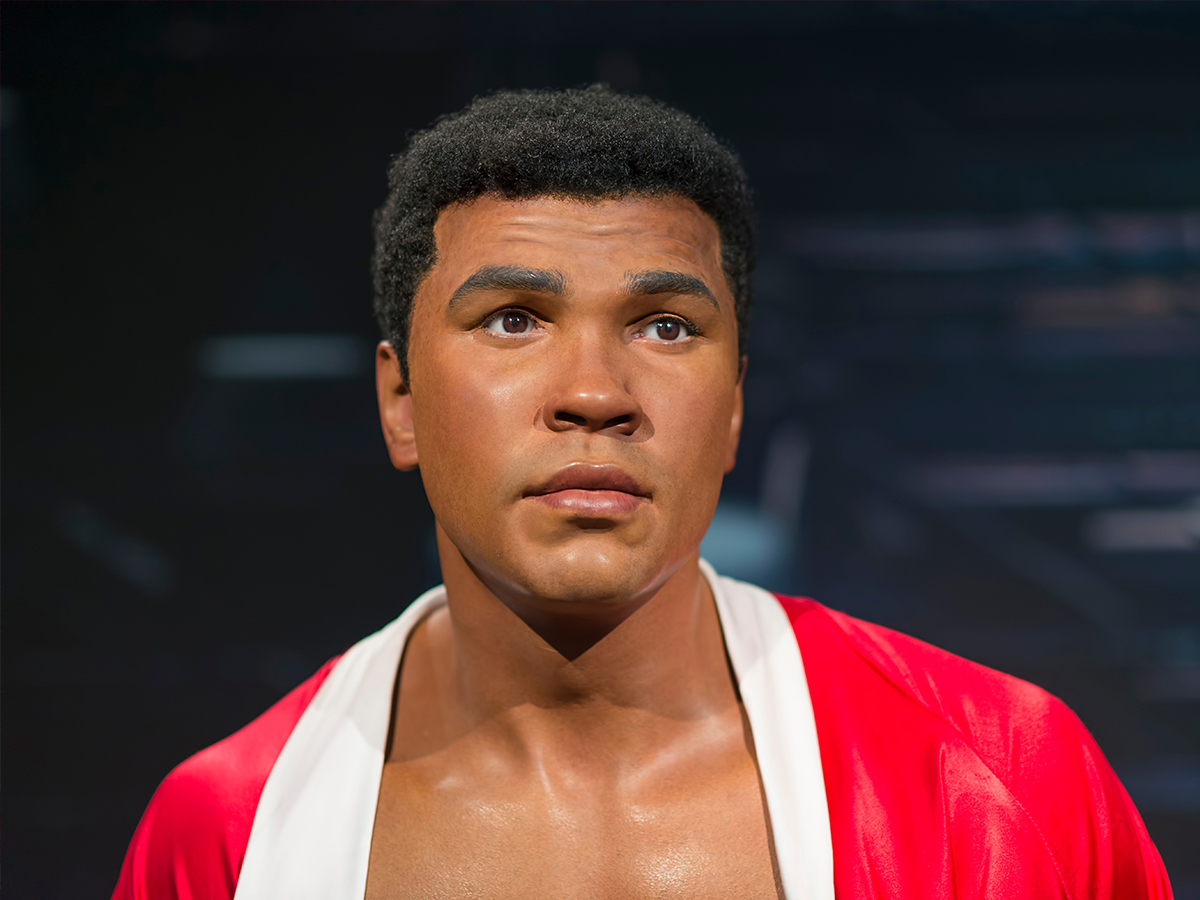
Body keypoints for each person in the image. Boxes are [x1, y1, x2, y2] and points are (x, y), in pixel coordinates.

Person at [113, 86, 1172, 900]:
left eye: (666, 326)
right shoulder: (227, 832)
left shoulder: (999, 778)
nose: (594, 394)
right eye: (513, 320)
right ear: (400, 402)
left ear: (735, 404)